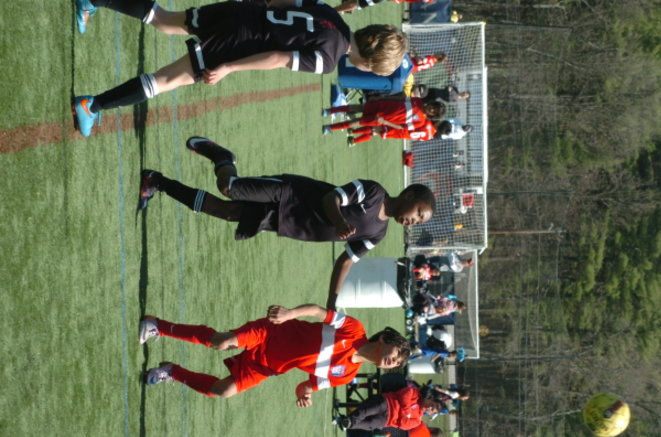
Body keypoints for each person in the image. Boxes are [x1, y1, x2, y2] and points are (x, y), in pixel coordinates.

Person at [139, 136, 436, 309]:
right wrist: (338, 221)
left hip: (284, 221)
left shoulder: (379, 232)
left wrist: (331, 302)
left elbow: (346, 261)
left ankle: (156, 181)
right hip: (289, 193)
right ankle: (222, 156)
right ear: (409, 195)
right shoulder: (373, 192)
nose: (414, 221)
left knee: (226, 212)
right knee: (229, 187)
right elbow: (330, 198)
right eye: (419, 213)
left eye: (419, 222)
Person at [72, 0, 407, 136]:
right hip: (238, 42)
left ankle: (94, 0)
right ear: (370, 63)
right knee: (164, 81)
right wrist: (229, 67)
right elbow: (276, 58)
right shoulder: (328, 59)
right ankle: (91, 106)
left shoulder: (333, 15)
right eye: (375, 71)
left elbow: (284, 2)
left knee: (163, 19)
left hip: (241, 12)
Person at [140, 303, 411, 404]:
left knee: (223, 391)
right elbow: (318, 311)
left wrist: (304, 395)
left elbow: (306, 386)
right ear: (384, 339)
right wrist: (290, 313)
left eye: (396, 364)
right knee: (222, 342)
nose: (392, 362)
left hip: (268, 366)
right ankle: (157, 325)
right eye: (396, 353)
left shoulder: (346, 375)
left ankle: (172, 372)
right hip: (272, 333)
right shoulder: (355, 329)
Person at [333, 384, 445, 431]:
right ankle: (346, 422)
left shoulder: (417, 421)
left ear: (431, 414)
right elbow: (405, 395)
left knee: (369, 424)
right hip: (386, 403)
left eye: (432, 410)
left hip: (386, 420)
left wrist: (404, 412)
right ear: (431, 400)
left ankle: (346, 422)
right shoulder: (416, 394)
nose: (430, 407)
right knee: (365, 411)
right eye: (432, 405)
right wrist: (406, 412)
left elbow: (403, 424)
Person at [322, 98, 445, 137]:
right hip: (383, 105)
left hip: (381, 119)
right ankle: (329, 111)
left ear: (433, 116)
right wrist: (380, 99)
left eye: (434, 112)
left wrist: (385, 122)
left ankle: (329, 128)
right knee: (355, 107)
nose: (431, 109)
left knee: (354, 123)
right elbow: (398, 99)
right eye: (433, 107)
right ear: (432, 103)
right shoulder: (417, 101)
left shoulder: (420, 122)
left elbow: (401, 127)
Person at [345, 119, 450, 146]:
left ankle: (353, 134)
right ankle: (354, 140)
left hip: (399, 127)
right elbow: (414, 138)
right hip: (401, 135)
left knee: (375, 129)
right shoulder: (429, 136)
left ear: (440, 123)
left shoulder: (427, 123)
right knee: (376, 132)